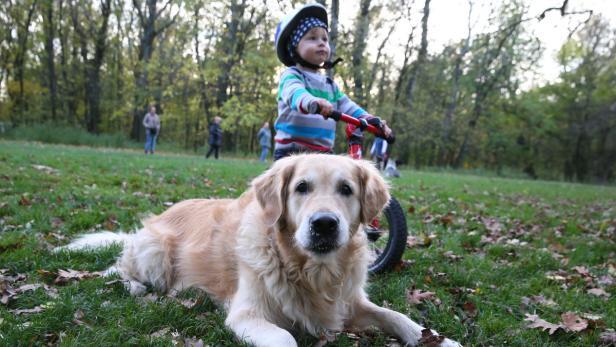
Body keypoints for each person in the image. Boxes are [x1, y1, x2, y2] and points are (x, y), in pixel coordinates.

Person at [272, 3, 391, 161]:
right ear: (293, 47)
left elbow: (347, 106)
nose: (321, 42)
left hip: (324, 153)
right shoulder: (292, 75)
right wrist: (312, 101)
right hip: (292, 151)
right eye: (312, 38)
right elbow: (295, 94)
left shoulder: (330, 85)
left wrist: (370, 119)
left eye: (325, 39)